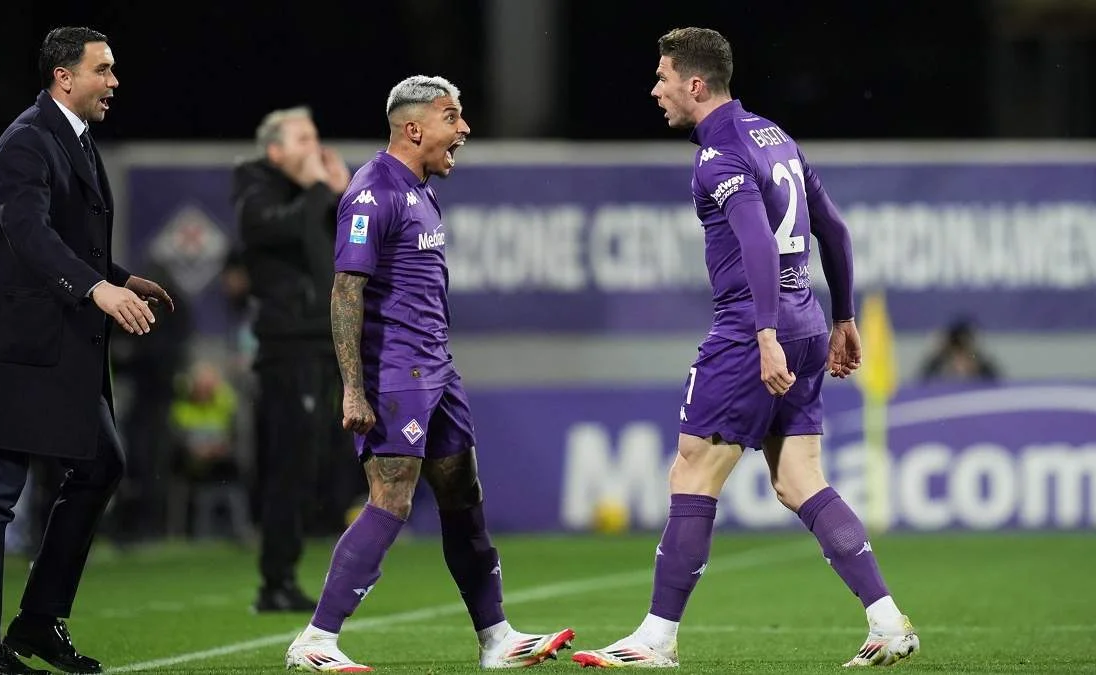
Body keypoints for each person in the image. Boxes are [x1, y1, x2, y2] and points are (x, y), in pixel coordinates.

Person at [570, 28, 919, 669]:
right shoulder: (774, 136)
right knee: (798, 479)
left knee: (692, 471)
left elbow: (757, 241)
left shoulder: (719, 154)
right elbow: (833, 228)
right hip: (807, 321)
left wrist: (762, 335)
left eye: (662, 78)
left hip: (751, 331)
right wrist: (842, 315)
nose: (655, 90)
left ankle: (656, 639)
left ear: (694, 84)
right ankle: (887, 619)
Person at [283, 75, 575, 672]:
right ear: (414, 129)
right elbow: (346, 291)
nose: (463, 128)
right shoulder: (372, 192)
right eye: (452, 117)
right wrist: (353, 388)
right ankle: (315, 639)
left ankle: (497, 639)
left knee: (463, 494)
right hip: (394, 373)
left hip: (436, 369)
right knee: (391, 499)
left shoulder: (419, 189)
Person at [0, 26, 173, 675]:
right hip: (13, 350)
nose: (114, 81)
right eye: (104, 69)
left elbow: (69, 239)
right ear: (63, 77)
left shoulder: (73, 138)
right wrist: (97, 288)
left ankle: (39, 620)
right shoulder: (26, 140)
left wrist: (120, 277)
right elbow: (27, 233)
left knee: (102, 464)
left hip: (58, 349)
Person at [234, 106, 361, 612]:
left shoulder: (313, 195)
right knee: (289, 463)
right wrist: (318, 190)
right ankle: (275, 580)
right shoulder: (255, 190)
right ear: (275, 151)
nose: (315, 147)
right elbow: (282, 230)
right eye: (302, 138)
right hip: (288, 347)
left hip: (323, 343)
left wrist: (343, 195)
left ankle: (285, 574)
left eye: (315, 136)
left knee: (314, 462)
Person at [919, 317, 1000, 382]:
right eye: (957, 342)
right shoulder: (938, 362)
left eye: (965, 342)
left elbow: (996, 385)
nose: (960, 347)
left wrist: (975, 369)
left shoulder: (978, 361)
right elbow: (922, 384)